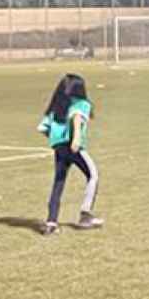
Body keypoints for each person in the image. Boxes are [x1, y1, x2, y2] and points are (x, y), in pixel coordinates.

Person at [37, 73, 100, 235]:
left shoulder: (56, 106)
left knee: (58, 183)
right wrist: (76, 138)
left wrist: (57, 141)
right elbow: (77, 117)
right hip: (73, 146)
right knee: (93, 175)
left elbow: (43, 128)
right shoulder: (81, 103)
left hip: (59, 147)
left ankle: (51, 221)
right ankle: (85, 214)